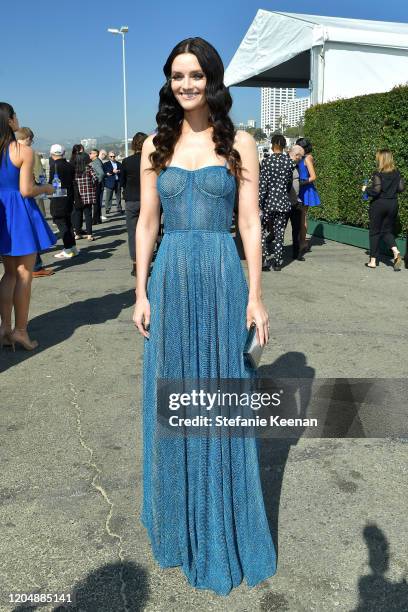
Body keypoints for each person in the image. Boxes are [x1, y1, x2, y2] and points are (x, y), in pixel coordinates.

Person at [133, 37, 274, 596]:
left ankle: (221, 525)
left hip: (220, 277)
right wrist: (140, 291)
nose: (186, 84)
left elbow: (250, 224)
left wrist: (256, 294)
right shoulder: (154, 147)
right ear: (169, 81)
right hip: (170, 278)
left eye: (195, 75)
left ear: (212, 80)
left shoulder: (239, 142)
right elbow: (147, 222)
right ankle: (177, 526)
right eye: (177, 76)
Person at [0, 102, 55, 350]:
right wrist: (46, 188)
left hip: (2, 212)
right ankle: (20, 331)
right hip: (19, 213)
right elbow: (26, 190)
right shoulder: (22, 150)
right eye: (15, 116)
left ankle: (4, 329)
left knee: (9, 273)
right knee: (23, 273)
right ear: (11, 120)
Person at [15, 127, 55, 277]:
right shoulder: (27, 153)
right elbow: (29, 185)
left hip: (8, 199)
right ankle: (36, 267)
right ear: (28, 138)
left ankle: (25, 266)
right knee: (32, 232)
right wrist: (45, 188)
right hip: (23, 200)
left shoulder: (6, 151)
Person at [363, 149, 405, 270]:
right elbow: (401, 188)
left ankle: (373, 261)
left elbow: (376, 190)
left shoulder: (378, 173)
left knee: (374, 232)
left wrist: (366, 189)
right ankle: (396, 251)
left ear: (381, 159)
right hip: (393, 204)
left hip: (379, 204)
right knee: (386, 231)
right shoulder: (397, 173)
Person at [259, 134, 296, 271]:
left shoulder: (267, 162)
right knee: (280, 233)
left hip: (268, 202)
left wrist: (259, 202)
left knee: (262, 231)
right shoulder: (289, 163)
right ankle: (278, 262)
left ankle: (264, 259)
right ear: (284, 145)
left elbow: (263, 185)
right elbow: (288, 183)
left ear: (273, 144)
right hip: (283, 202)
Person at [121, 132, 148, 276]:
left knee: (133, 233)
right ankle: (147, 261)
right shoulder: (151, 160)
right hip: (148, 200)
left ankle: (136, 264)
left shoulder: (126, 161)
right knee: (149, 232)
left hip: (131, 200)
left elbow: (122, 182)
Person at [48, 144, 78, 258]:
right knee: (68, 221)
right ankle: (73, 248)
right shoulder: (69, 165)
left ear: (52, 154)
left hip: (58, 196)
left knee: (60, 221)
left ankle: (67, 249)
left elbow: (52, 183)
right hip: (69, 196)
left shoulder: (54, 166)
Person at [296, 137, 321, 256]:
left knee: (302, 217)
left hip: (305, 189)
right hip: (299, 187)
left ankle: (302, 242)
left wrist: (303, 182)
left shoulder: (308, 158)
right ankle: (301, 241)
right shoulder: (299, 157)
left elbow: (313, 176)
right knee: (299, 216)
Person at [71, 152, 98, 241]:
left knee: (78, 215)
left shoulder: (74, 171)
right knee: (88, 215)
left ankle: (77, 234)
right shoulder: (89, 169)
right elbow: (95, 179)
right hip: (88, 196)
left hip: (77, 197)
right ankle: (89, 235)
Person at [286, 144, 306, 261]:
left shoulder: (297, 165)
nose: (302, 159)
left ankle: (296, 253)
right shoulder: (286, 164)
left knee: (297, 228)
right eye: (301, 157)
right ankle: (278, 252)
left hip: (296, 202)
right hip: (285, 201)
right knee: (281, 228)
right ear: (297, 155)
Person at [89, 148, 105, 224]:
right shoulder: (96, 161)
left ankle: (95, 220)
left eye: (91, 153)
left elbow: (101, 173)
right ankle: (97, 219)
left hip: (97, 184)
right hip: (98, 184)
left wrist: (97, 181)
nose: (89, 154)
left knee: (96, 203)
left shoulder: (96, 162)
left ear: (95, 154)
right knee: (97, 202)